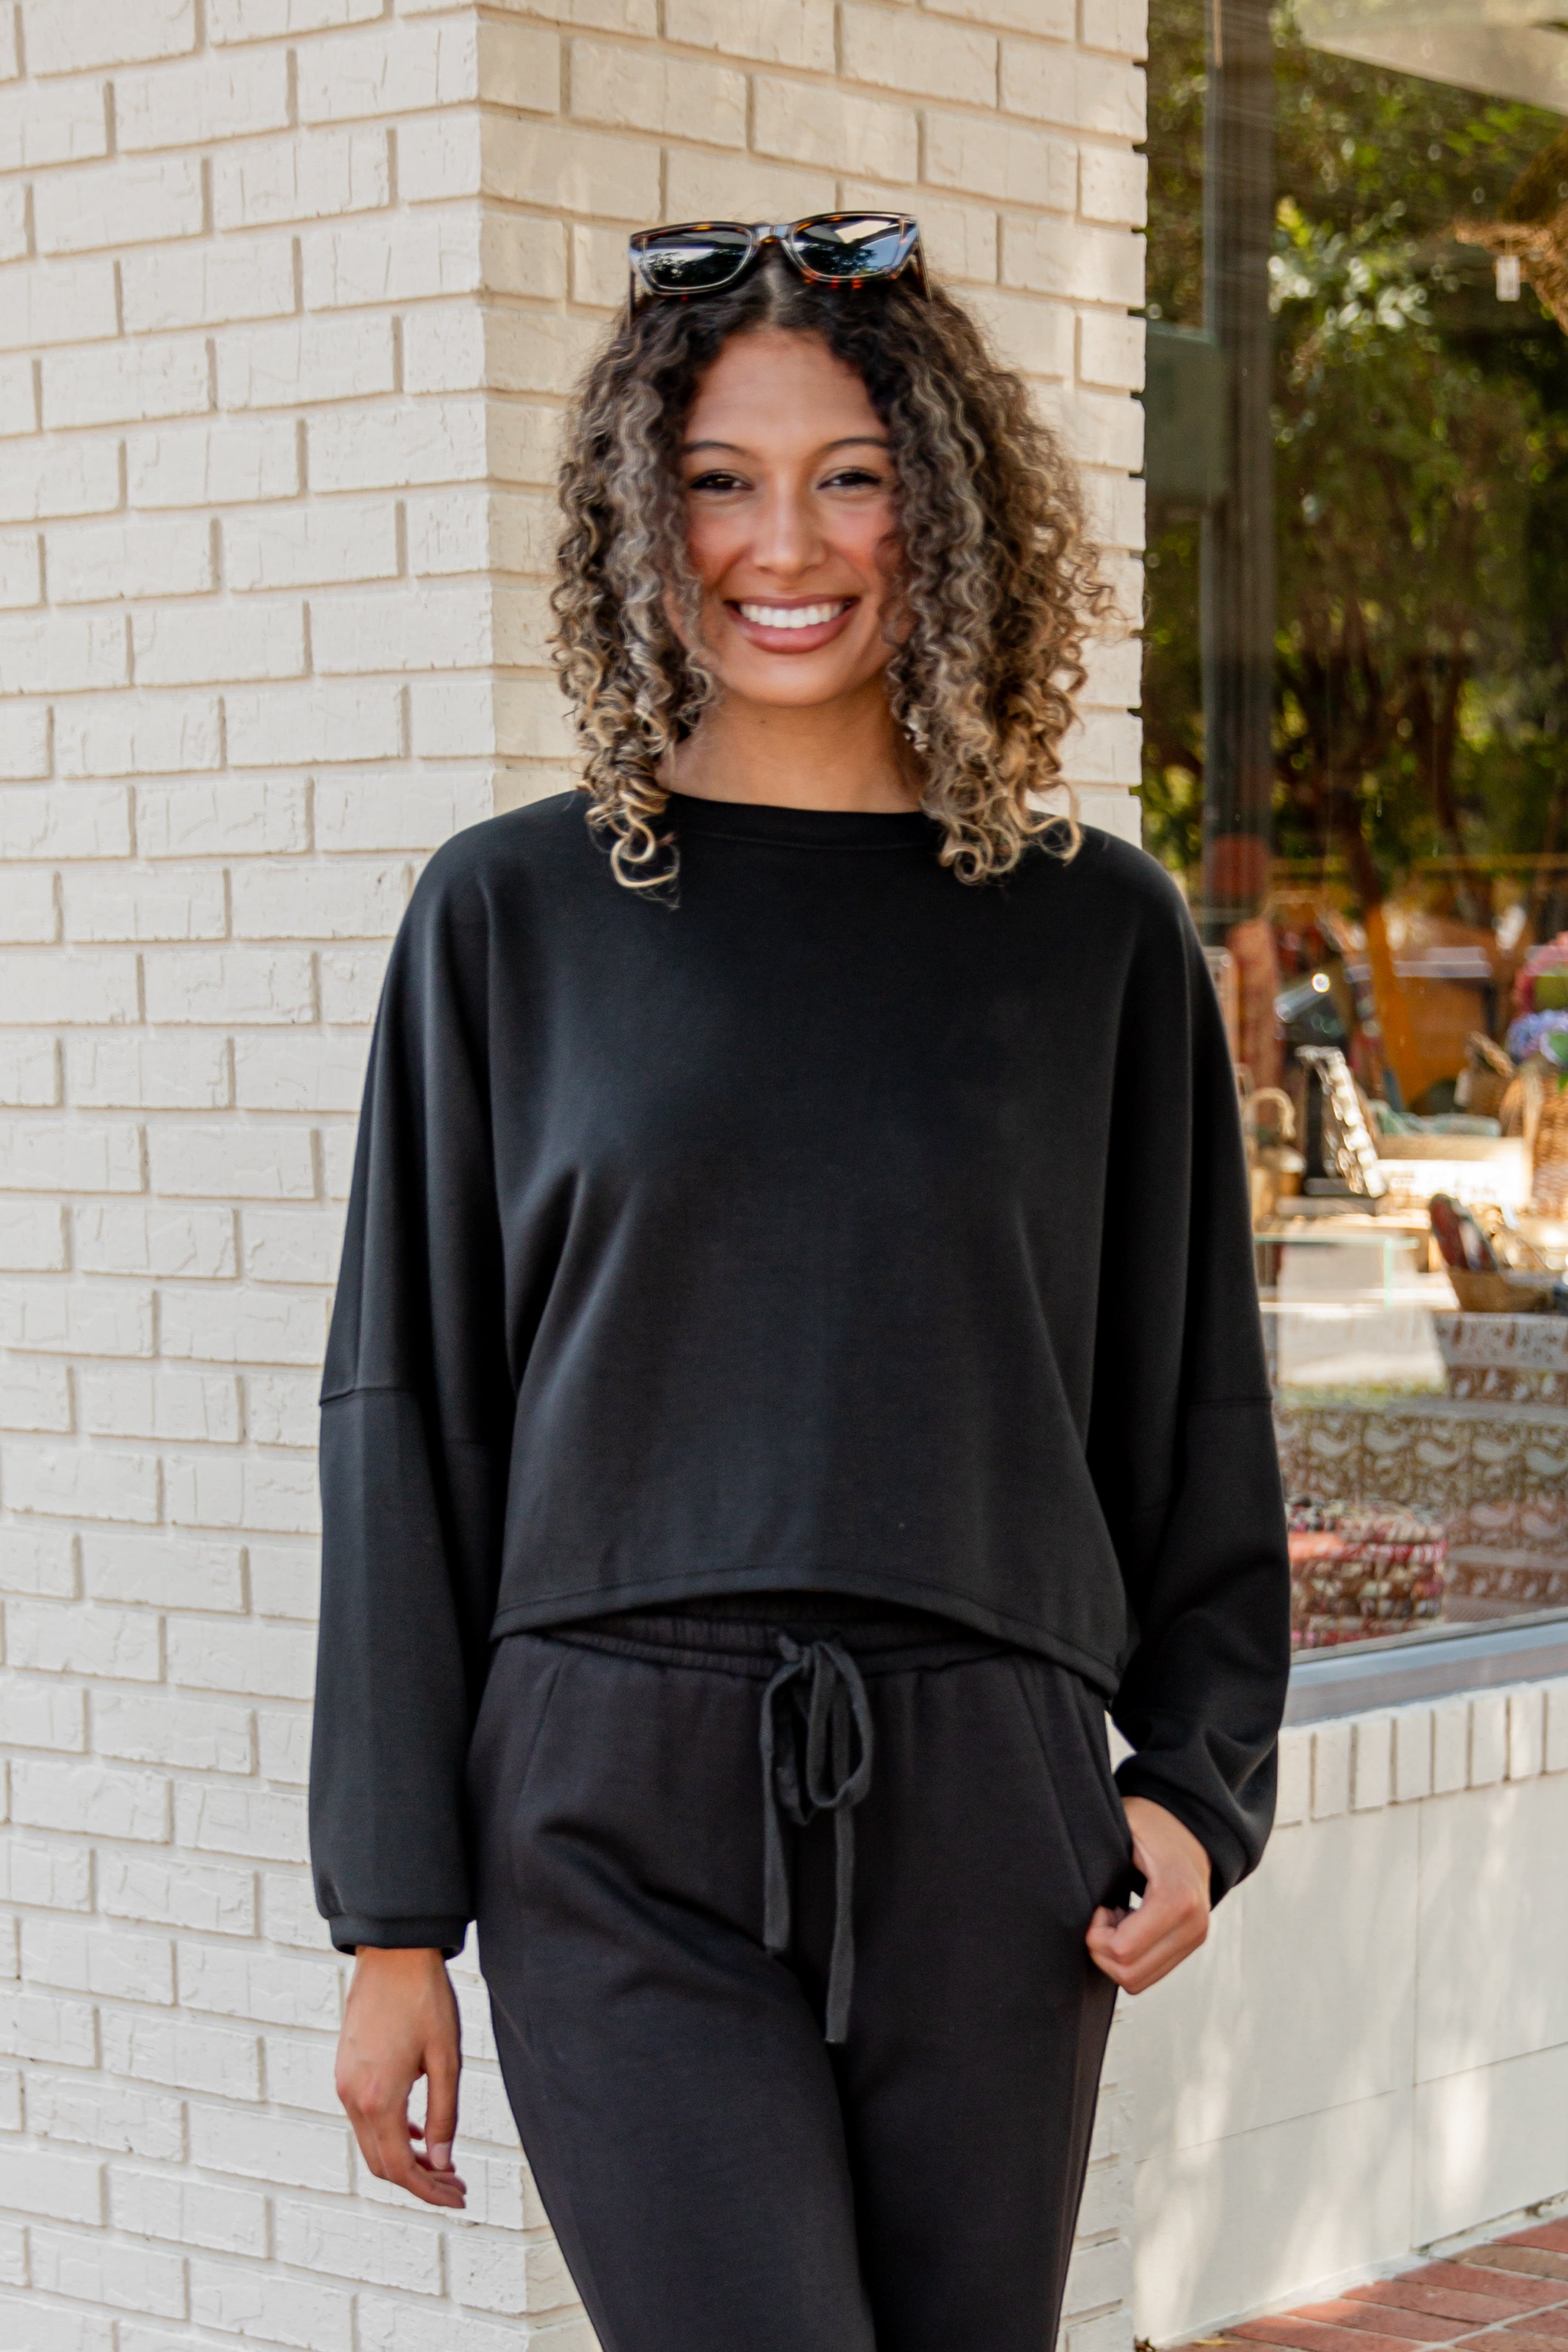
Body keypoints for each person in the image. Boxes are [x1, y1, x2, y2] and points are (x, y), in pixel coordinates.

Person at [310, 212, 1292, 2352]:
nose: (789, 540)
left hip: (990, 1806)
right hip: (609, 1803)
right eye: (719, 481)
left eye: (851, 473)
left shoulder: (1091, 932)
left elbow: (1190, 1396)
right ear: (635, 522)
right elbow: (406, 1419)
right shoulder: (510, 918)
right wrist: (395, 1920)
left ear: (940, 501)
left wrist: (1199, 1782)